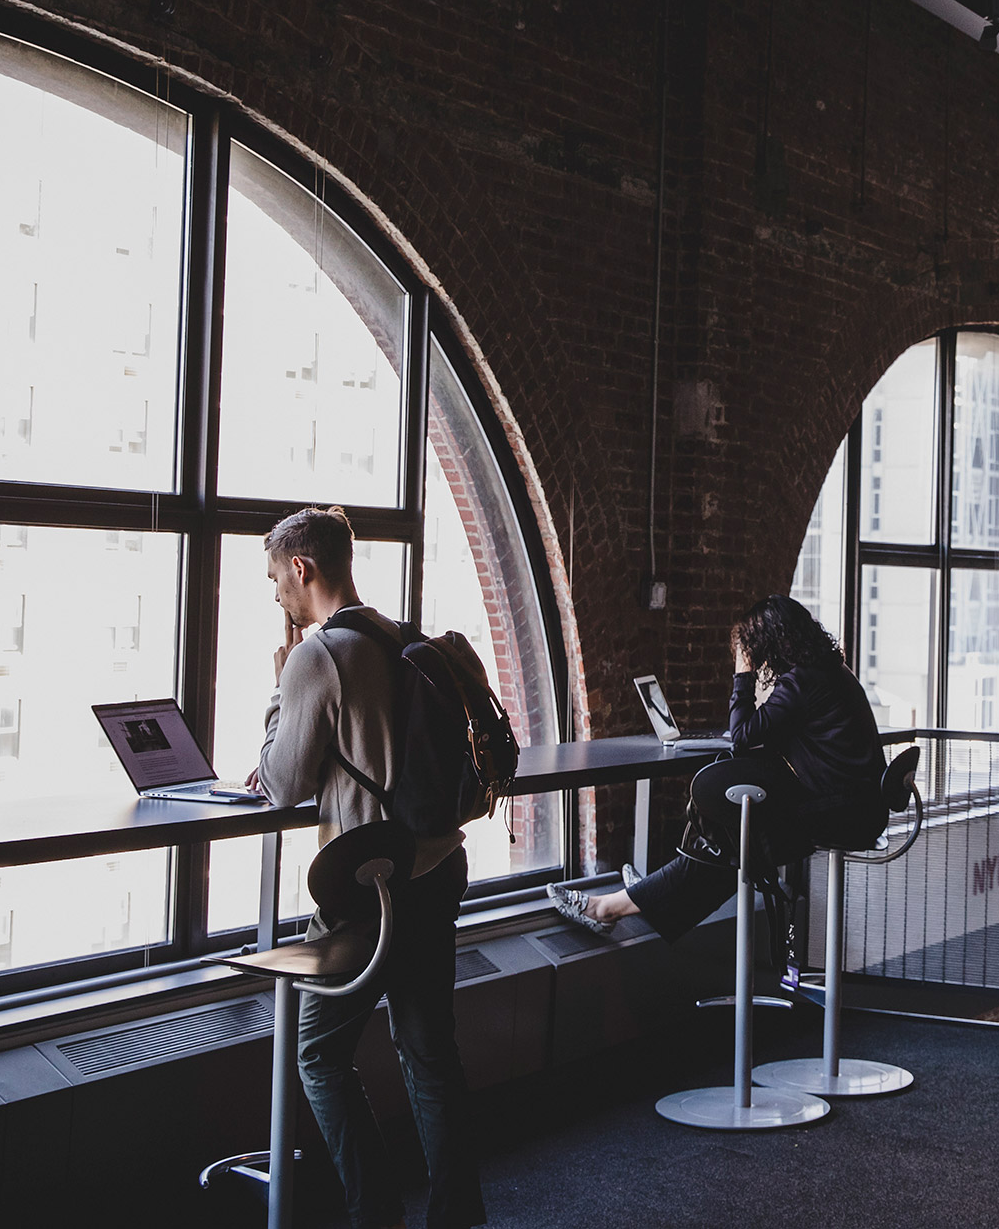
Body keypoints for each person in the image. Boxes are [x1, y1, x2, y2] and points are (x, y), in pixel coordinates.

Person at [252, 506, 485, 1229]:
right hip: (438, 868)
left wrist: (275, 691)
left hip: (370, 892)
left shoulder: (315, 657)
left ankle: (375, 1213)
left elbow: (283, 779)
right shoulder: (407, 638)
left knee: (318, 1055)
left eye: (275, 580)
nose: (276, 597)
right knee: (429, 1056)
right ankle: (454, 1216)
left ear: (302, 568)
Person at [549, 595, 887, 942]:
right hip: (854, 808)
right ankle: (649, 896)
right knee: (729, 844)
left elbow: (742, 737)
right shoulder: (830, 672)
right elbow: (781, 737)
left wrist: (743, 673)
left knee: (729, 843)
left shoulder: (802, 681)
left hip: (837, 814)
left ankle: (623, 904)